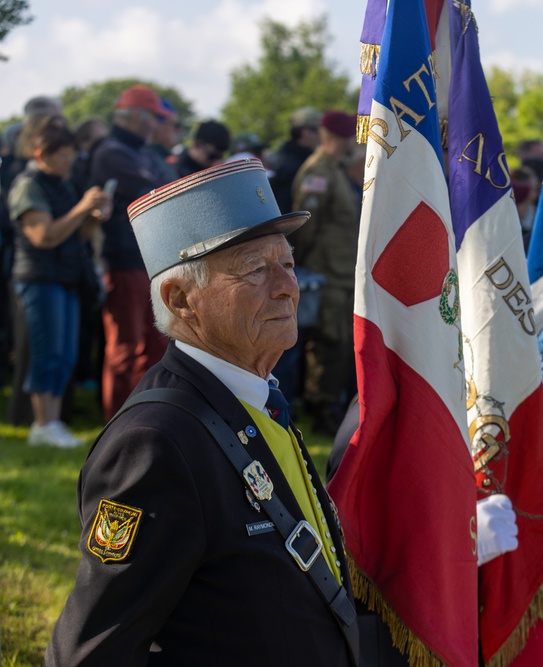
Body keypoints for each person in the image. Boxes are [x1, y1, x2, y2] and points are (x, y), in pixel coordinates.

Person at [46, 159, 361, 665]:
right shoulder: (155, 443)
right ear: (181, 299)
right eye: (256, 269)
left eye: (288, 263)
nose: (287, 286)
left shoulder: (254, 395)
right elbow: (91, 652)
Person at [6, 116, 110, 447]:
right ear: (40, 154)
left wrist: (93, 218)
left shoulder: (63, 183)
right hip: (38, 278)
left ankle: (52, 423)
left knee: (65, 354)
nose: (69, 161)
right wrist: (82, 207)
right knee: (47, 353)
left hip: (65, 278)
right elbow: (44, 236)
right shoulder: (28, 185)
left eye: (71, 154)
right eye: (62, 154)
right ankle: (42, 424)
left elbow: (77, 236)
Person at [89, 84, 172, 420]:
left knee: (154, 347)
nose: (156, 125)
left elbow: (164, 184)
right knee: (125, 348)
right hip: (124, 260)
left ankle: (145, 417)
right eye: (154, 117)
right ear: (136, 117)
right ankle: (118, 422)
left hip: (148, 259)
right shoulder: (112, 151)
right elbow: (157, 190)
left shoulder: (139, 152)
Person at [289, 110, 361, 434]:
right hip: (325, 272)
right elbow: (306, 224)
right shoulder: (317, 171)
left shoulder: (335, 170)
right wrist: (303, 266)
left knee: (342, 343)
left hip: (342, 272)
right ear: (340, 138)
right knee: (327, 343)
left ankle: (329, 404)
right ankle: (320, 408)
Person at [269, 107, 322, 214]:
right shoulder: (294, 166)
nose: (322, 136)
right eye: (319, 131)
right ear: (306, 132)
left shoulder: (282, 158)